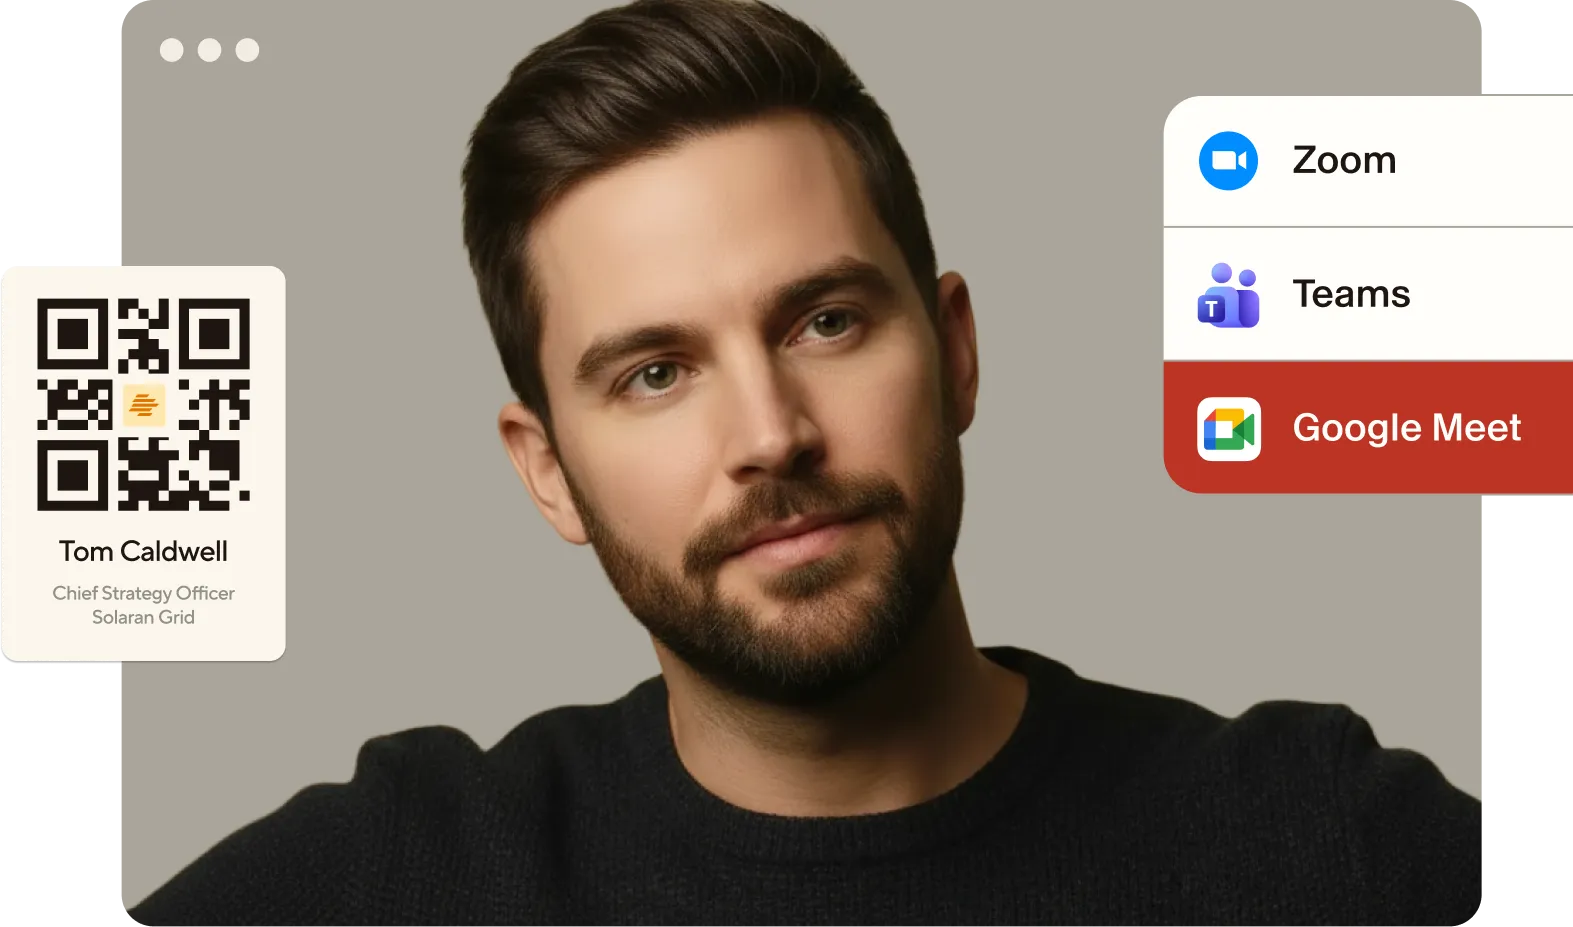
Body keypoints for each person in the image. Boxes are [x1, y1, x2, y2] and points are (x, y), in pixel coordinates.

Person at [124, 1, 1487, 923]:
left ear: (954, 351)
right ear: (547, 472)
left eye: (824, 321)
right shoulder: (402, 878)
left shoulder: (1324, 848)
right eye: (655, 373)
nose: (770, 433)